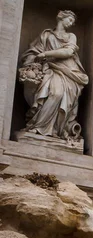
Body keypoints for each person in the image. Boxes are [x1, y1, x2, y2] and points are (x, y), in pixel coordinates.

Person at [18, 10, 88, 141]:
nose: (71, 23)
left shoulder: (71, 36)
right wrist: (31, 60)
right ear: (61, 18)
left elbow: (68, 52)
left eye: (73, 22)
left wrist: (46, 54)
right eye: (70, 20)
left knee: (58, 94)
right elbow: (34, 51)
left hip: (69, 71)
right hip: (49, 69)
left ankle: (55, 130)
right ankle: (38, 127)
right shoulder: (46, 35)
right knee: (51, 93)